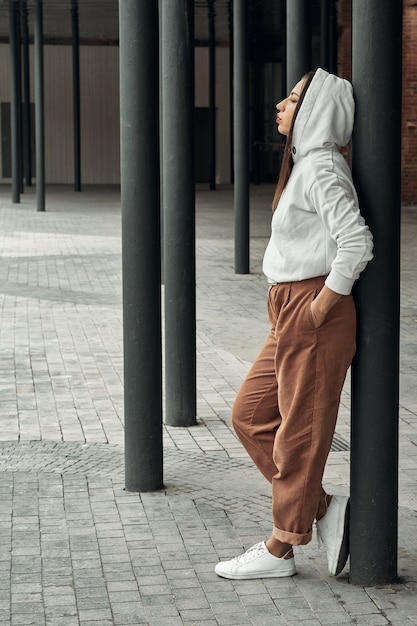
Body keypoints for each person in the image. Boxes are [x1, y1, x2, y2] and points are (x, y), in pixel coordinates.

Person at [214, 68, 374, 580]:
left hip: (311, 308)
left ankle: (282, 547)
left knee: (299, 434)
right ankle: (323, 509)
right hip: (288, 309)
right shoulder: (308, 165)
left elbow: (356, 242)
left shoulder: (324, 167)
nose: (281, 104)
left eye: (294, 98)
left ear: (317, 109)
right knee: (250, 415)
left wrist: (321, 306)